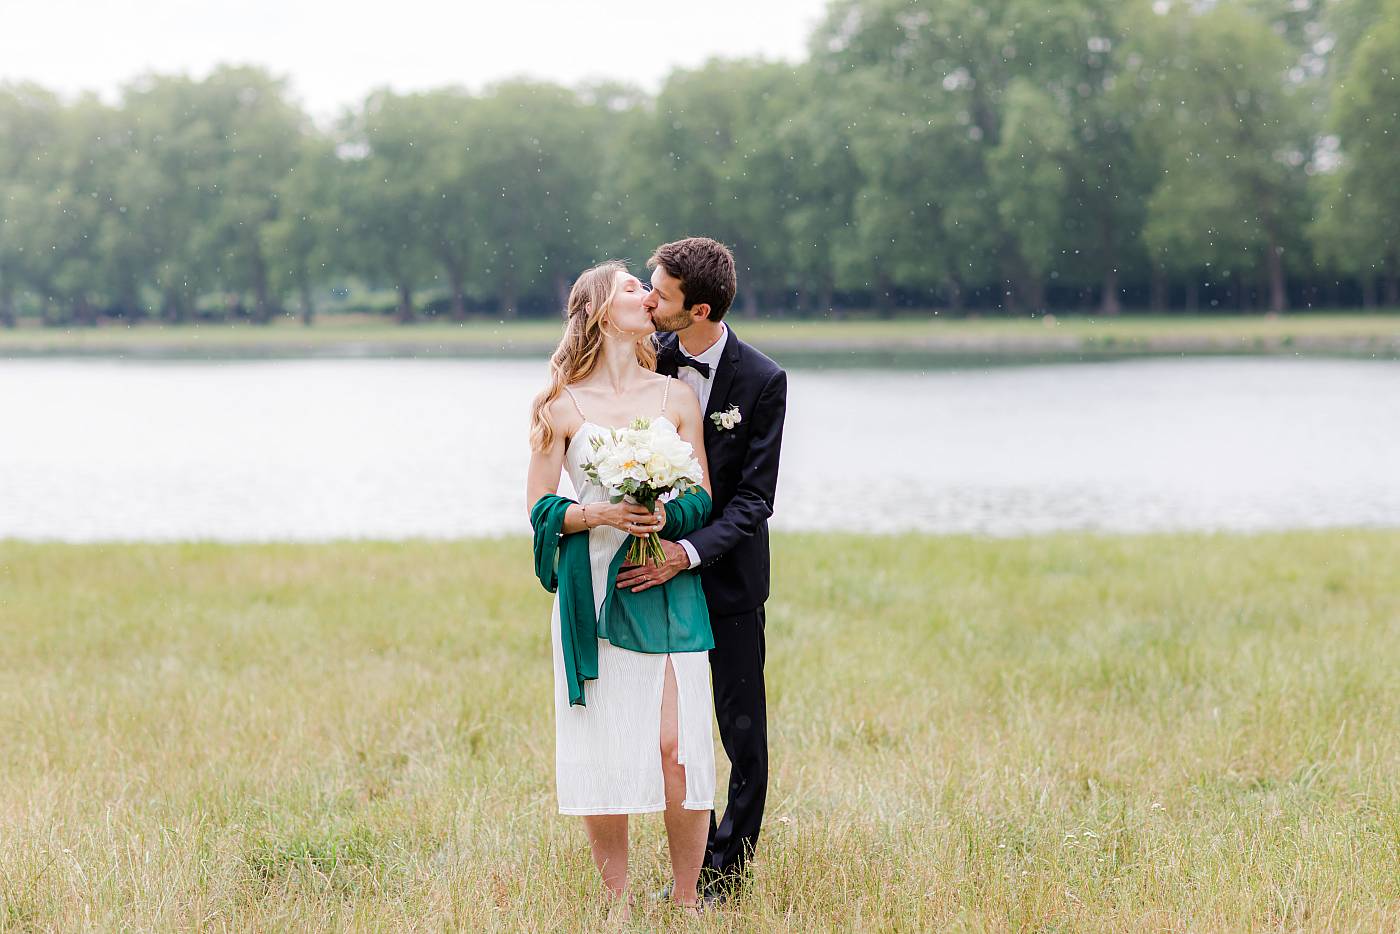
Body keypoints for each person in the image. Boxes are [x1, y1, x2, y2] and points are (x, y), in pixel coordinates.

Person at [525, 260, 716, 921]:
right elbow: (539, 506)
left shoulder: (677, 397)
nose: (649, 294)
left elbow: (702, 493)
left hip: (663, 581)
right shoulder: (559, 405)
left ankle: (687, 902)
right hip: (593, 588)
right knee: (605, 744)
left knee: (676, 745)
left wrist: (668, 518)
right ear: (601, 309)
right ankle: (617, 907)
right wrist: (599, 513)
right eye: (633, 286)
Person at [620, 237, 788, 902]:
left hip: (729, 583)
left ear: (700, 310)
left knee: (742, 735)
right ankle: (691, 869)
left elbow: (754, 500)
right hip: (650, 578)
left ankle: (725, 875)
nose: (649, 301)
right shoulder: (647, 358)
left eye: (660, 294)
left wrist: (686, 553)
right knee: (675, 735)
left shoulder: (763, 380)